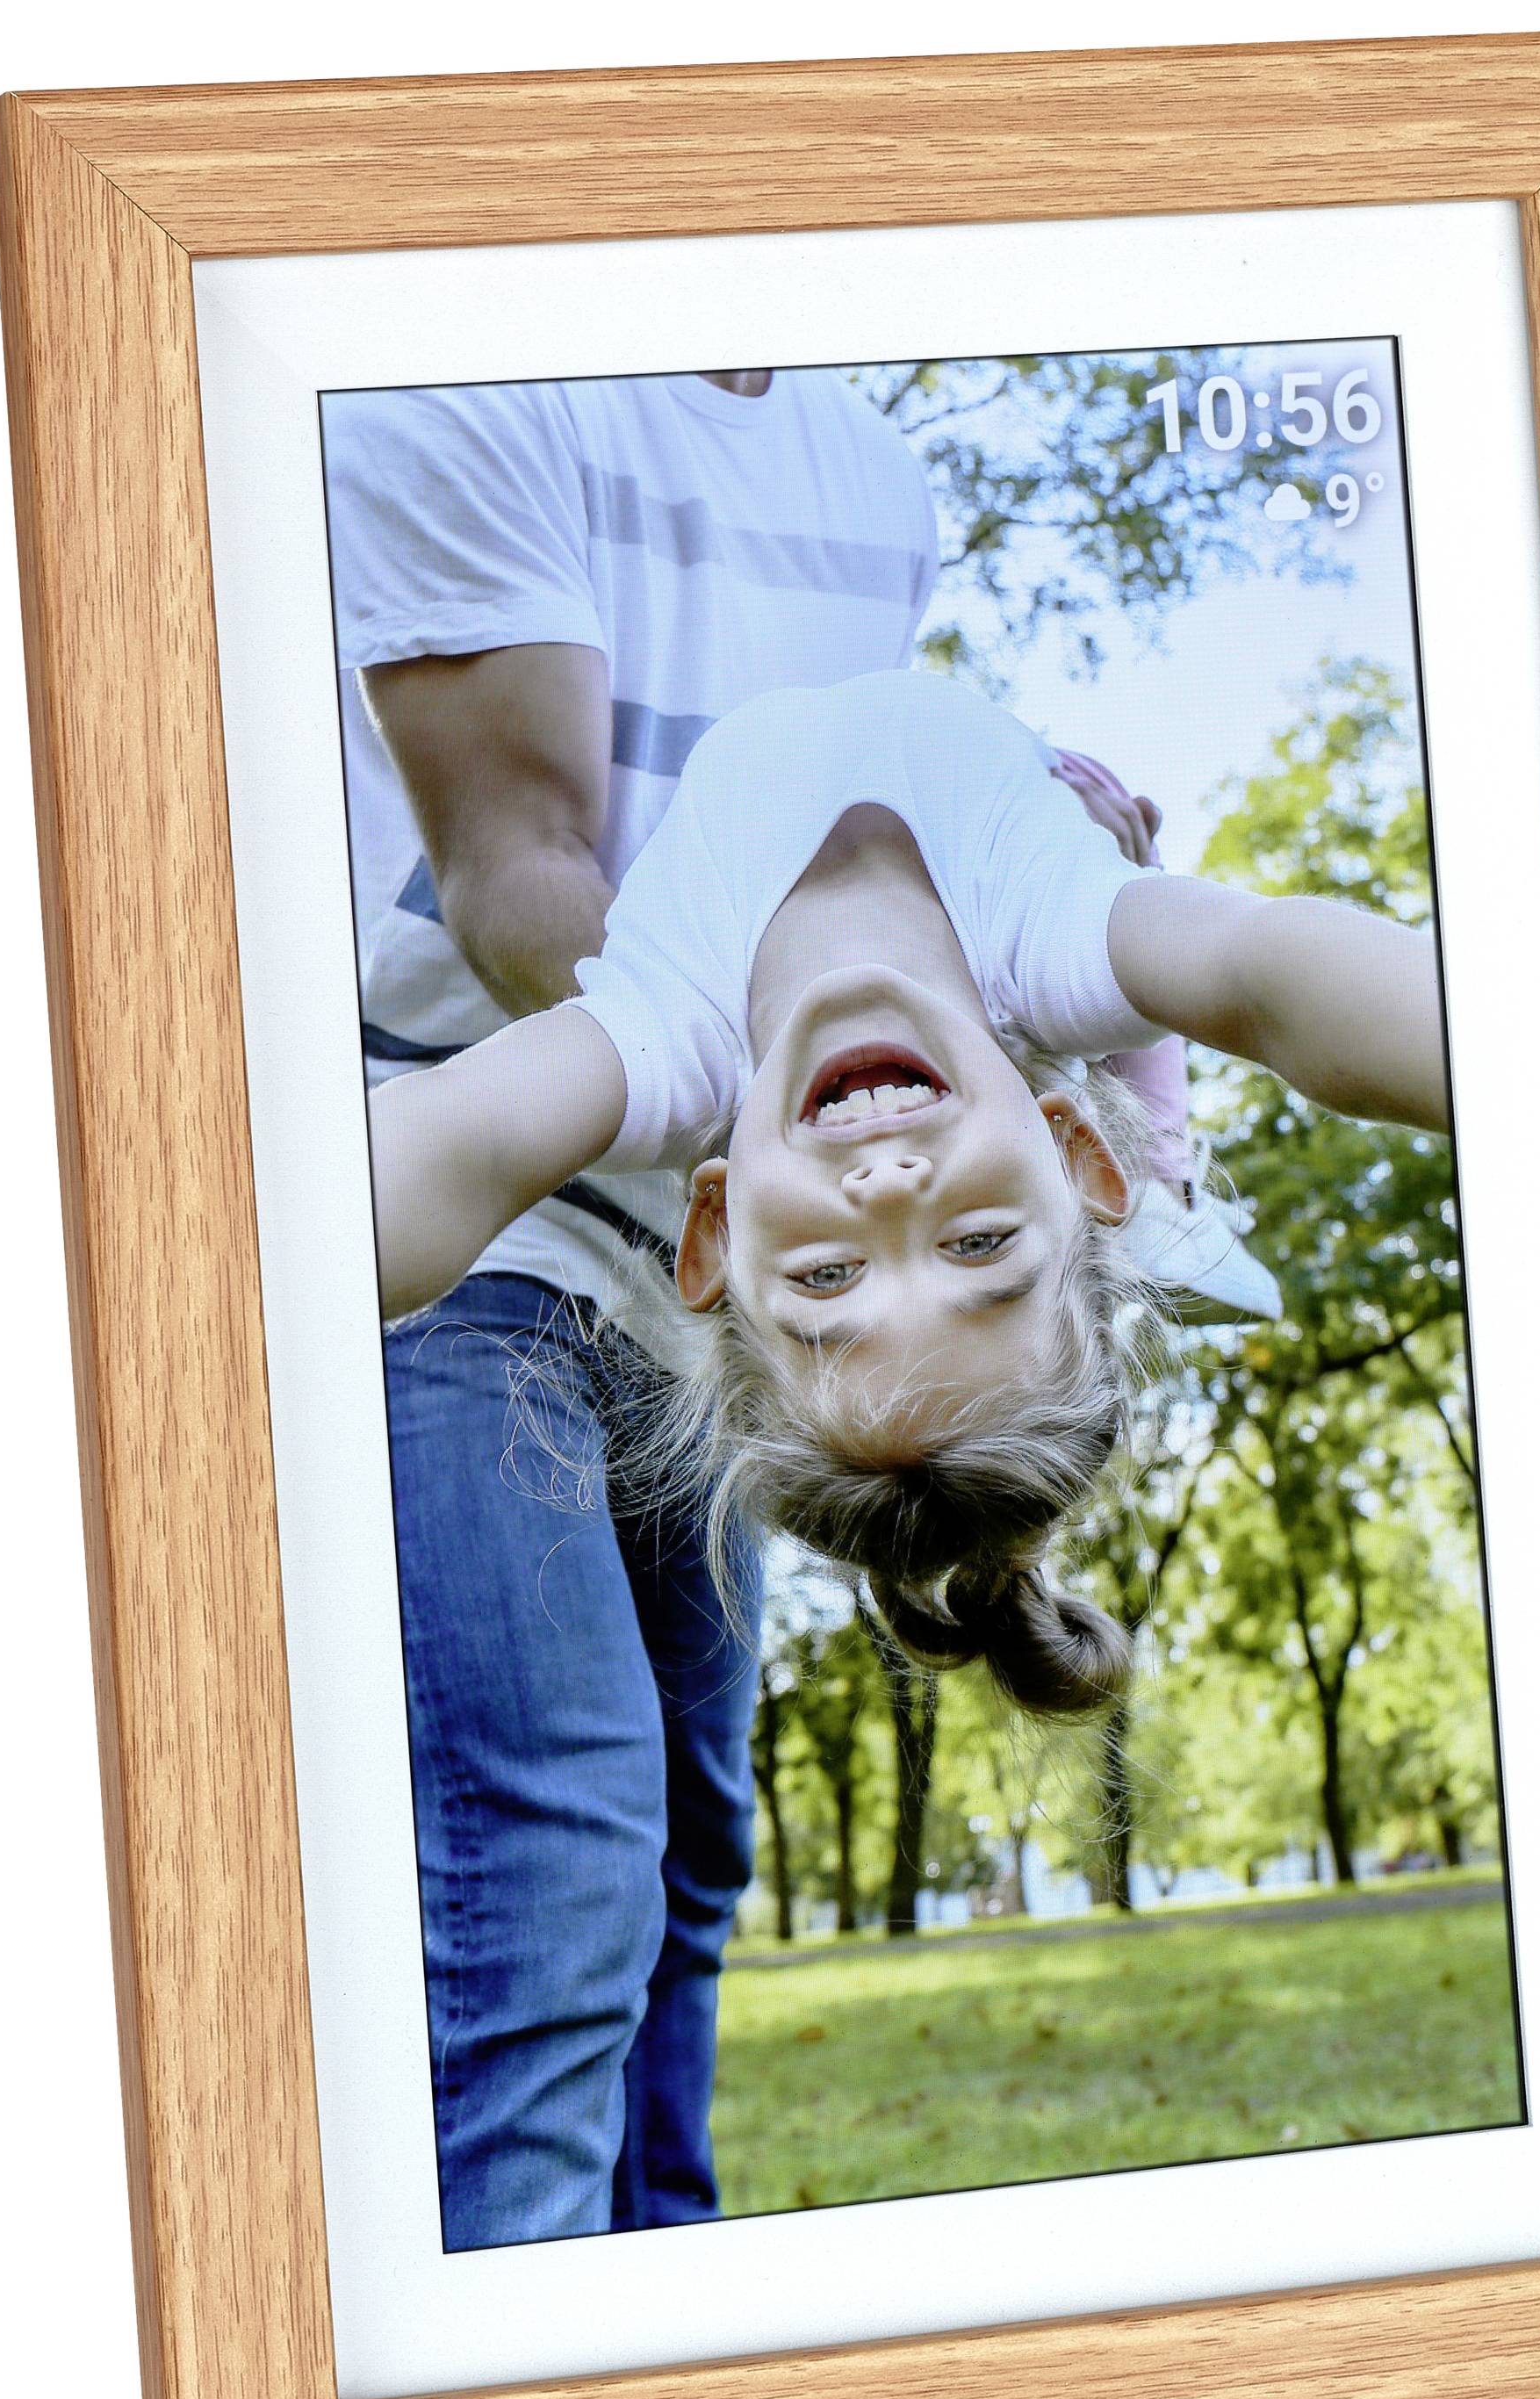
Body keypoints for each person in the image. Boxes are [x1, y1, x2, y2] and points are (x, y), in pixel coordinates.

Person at [324, 367, 944, 2248]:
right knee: (556, 1845)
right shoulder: (479, 384)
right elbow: (521, 881)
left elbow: (831, 842)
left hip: (701, 1270)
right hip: (466, 1200)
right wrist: (819, 1056)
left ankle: (663, 2349)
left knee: (692, 1846)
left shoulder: (882, 479)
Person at [367, 670, 1447, 1717]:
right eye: (979, 1245)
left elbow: (457, 1148)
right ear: (1074, 1156)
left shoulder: (668, 1033)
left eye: (827, 1276)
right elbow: (1268, 977)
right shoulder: (1057, 937)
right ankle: (1166, 1183)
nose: (887, 1190)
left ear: (717, 1226)